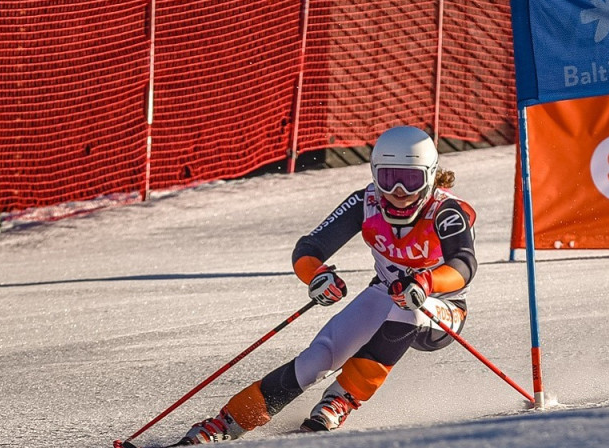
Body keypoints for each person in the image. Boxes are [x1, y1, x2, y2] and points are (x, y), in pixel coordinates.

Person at [178, 125, 477, 445]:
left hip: (440, 310)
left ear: (430, 176)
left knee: (409, 309)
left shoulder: (446, 211)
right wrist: (316, 275)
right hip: (387, 292)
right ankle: (229, 422)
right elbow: (309, 248)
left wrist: (426, 281)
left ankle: (341, 398)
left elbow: (464, 264)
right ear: (375, 174)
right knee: (319, 357)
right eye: (389, 178)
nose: (399, 190)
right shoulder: (366, 202)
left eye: (411, 179)